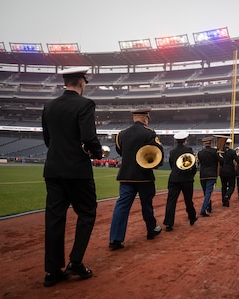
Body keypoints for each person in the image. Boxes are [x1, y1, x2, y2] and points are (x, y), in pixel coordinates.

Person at [42, 66, 101, 287]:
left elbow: (48, 139)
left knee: (54, 218)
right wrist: (96, 153)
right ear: (81, 82)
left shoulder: (49, 105)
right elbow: (88, 137)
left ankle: (52, 270)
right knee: (87, 212)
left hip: (53, 169)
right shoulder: (85, 104)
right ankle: (75, 261)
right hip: (77, 171)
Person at [109, 108, 164, 250]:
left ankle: (115, 239)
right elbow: (158, 152)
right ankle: (151, 230)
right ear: (145, 119)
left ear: (134, 118)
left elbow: (120, 151)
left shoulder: (121, 134)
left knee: (121, 207)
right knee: (147, 205)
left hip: (126, 176)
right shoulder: (150, 133)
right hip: (144, 177)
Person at [163, 132, 198, 231]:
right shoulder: (189, 150)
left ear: (176, 141)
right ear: (185, 140)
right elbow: (193, 165)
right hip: (186, 179)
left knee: (171, 201)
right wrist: (191, 175)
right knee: (188, 200)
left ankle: (168, 224)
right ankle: (192, 217)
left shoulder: (172, 152)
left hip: (174, 179)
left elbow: (171, 164)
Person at [196, 136, 221, 216]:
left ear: (204, 144)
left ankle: (209, 207)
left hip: (202, 175)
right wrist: (220, 154)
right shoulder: (215, 151)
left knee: (206, 193)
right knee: (208, 193)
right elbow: (221, 161)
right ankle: (203, 209)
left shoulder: (200, 153)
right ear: (211, 143)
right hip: (211, 175)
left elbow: (199, 163)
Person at [219, 138, 239, 207]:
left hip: (222, 171)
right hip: (230, 171)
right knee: (232, 186)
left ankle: (224, 202)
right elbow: (238, 161)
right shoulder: (232, 152)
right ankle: (227, 196)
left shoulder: (220, 151)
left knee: (224, 186)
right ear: (230, 144)